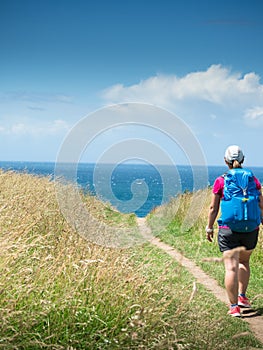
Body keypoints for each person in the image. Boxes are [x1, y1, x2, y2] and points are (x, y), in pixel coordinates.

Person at [206, 145, 263, 317]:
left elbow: (212, 208)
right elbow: (260, 204)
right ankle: (242, 297)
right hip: (251, 228)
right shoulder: (253, 179)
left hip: (228, 229)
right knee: (244, 263)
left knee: (231, 268)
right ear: (243, 160)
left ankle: (234, 307)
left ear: (225, 161)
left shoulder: (221, 181)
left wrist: (209, 227)